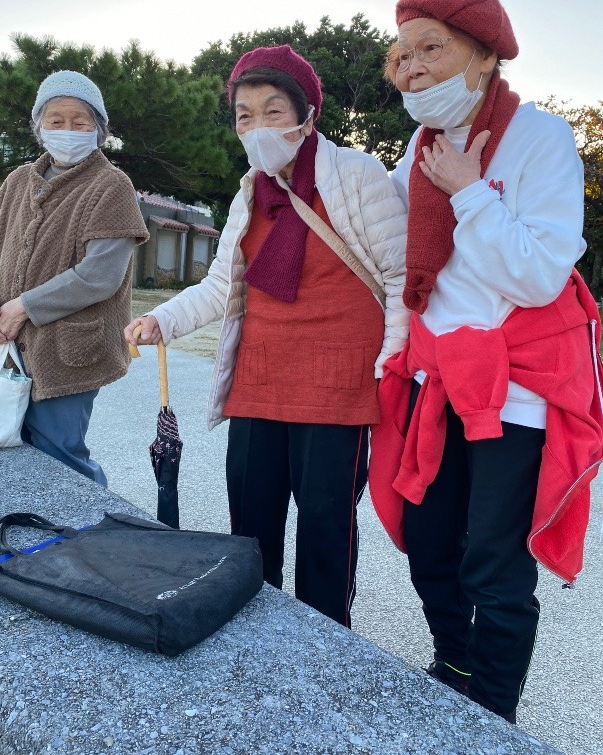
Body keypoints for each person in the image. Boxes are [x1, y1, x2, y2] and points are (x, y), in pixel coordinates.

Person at [368, 0, 603, 722]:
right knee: (430, 542)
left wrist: (471, 192)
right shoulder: (417, 146)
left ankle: (492, 716)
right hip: (437, 374)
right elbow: (385, 241)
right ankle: (452, 661)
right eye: (400, 55)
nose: (411, 69)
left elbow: (538, 275)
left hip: (517, 385)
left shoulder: (539, 137)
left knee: (493, 564)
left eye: (429, 48)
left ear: (483, 55)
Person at [125, 45, 409, 627]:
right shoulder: (250, 190)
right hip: (260, 379)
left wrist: (390, 362)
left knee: (327, 528)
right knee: (250, 521)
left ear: (308, 115)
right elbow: (219, 286)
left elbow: (403, 278)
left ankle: (327, 640)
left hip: (339, 385)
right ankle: (256, 636)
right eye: (244, 115)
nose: (257, 127)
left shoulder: (355, 174)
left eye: (273, 111)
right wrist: (164, 321)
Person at [0, 70, 149, 486]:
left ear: (99, 130)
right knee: (4, 446)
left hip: (68, 352)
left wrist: (24, 307)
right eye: (56, 120)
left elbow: (99, 275)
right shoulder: (16, 182)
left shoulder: (112, 186)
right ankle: (30, 540)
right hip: (5, 343)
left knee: (60, 456)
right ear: (39, 126)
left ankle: (86, 537)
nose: (68, 129)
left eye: (80, 121)